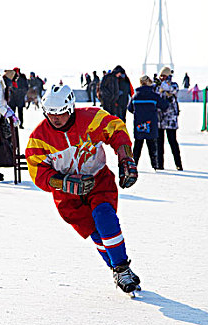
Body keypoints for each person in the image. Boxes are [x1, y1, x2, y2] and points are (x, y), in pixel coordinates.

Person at [25, 84, 141, 294]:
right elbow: (37, 172)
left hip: (98, 180)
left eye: (60, 113)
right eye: (50, 114)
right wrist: (64, 182)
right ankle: (116, 268)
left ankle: (122, 269)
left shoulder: (91, 119)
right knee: (94, 231)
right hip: (67, 197)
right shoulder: (39, 138)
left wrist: (126, 158)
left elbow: (116, 129)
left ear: (70, 109)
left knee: (104, 216)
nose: (55, 118)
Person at [128, 75, 168, 170]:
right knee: (152, 148)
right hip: (151, 125)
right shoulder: (153, 95)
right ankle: (155, 166)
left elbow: (130, 108)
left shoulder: (135, 96)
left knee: (137, 146)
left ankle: (133, 165)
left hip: (139, 124)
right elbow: (164, 105)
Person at [155, 66, 183, 170]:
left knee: (172, 141)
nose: (162, 78)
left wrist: (163, 86)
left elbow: (172, 90)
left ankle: (178, 164)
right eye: (161, 76)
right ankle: (159, 164)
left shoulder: (173, 85)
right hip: (159, 118)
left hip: (170, 119)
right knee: (159, 143)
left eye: (164, 76)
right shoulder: (157, 87)